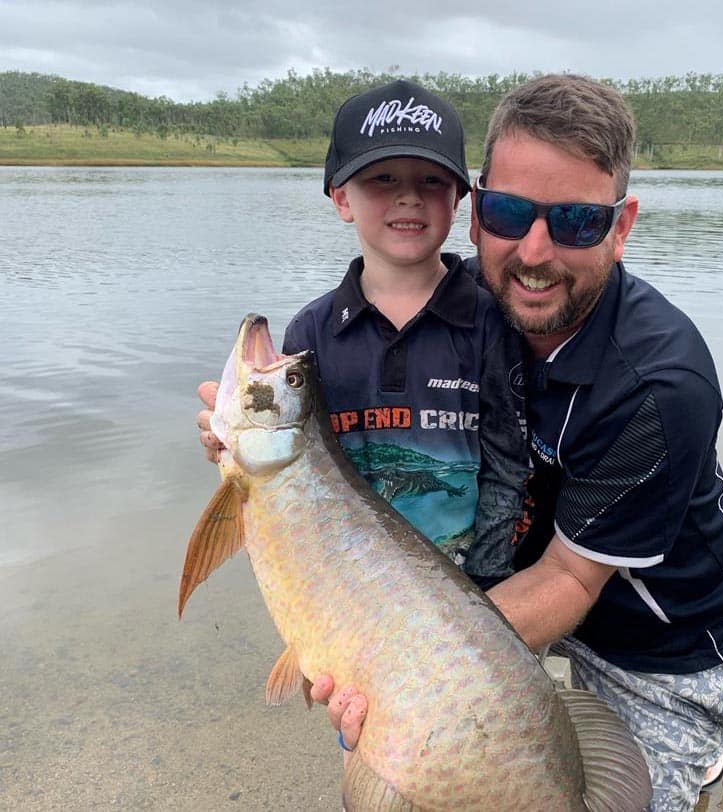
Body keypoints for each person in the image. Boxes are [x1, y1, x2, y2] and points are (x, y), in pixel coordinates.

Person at [302, 74, 723, 812]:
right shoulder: (478, 304)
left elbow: (571, 581)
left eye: (578, 221)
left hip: (661, 646)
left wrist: (393, 664)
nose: (536, 253)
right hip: (509, 594)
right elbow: (350, 376)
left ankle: (697, 751)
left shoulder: (658, 386)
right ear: (478, 212)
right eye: (512, 213)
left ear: (622, 225)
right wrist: (256, 441)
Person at [196, 78, 530, 753]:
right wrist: (235, 451)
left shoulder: (494, 319)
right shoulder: (313, 332)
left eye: (429, 180)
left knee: (506, 753)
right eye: (381, 179)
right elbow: (306, 487)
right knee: (385, 761)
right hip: (362, 618)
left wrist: (489, 607)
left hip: (476, 619)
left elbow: (510, 470)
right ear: (341, 199)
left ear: (461, 201)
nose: (407, 196)